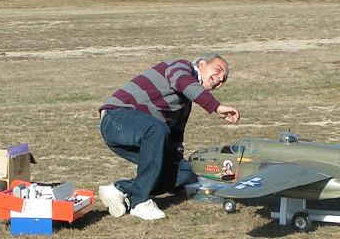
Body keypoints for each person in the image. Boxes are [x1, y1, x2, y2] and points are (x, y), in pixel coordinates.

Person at [98, 54, 240, 221]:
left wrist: (175, 165)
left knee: (185, 171)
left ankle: (120, 190)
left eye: (224, 79)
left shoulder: (185, 103)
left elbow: (175, 137)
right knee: (157, 129)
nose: (220, 79)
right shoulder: (180, 67)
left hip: (145, 135)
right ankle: (140, 202)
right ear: (202, 64)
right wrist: (216, 107)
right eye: (218, 70)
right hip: (116, 119)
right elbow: (184, 82)